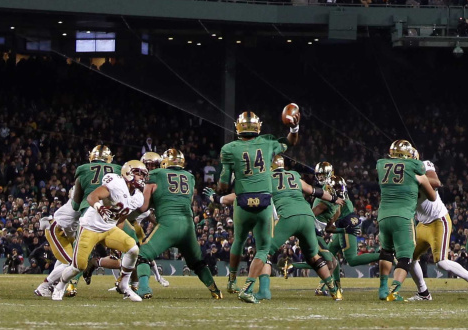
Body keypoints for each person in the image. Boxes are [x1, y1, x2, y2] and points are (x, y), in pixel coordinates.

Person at [217, 110, 299, 303]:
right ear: (257, 126)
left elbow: (223, 184)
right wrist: (294, 128)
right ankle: (248, 287)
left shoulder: (229, 148)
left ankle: (232, 280)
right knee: (263, 248)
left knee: (239, 240)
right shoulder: (268, 143)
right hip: (263, 203)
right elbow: (290, 142)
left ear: (238, 126)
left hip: (242, 202)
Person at [44, 160, 149, 301]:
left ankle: (124, 285)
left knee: (133, 249)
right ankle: (60, 285)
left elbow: (122, 218)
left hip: (109, 229)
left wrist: (115, 244)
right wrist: (100, 207)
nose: (141, 177)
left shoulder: (138, 197)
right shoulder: (116, 183)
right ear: (127, 172)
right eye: (138, 173)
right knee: (78, 266)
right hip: (90, 227)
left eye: (143, 174)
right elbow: (91, 197)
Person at [136, 148, 223, 299]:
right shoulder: (189, 177)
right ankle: (215, 291)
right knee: (197, 263)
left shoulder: (155, 175)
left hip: (169, 224)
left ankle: (144, 289)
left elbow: (143, 206)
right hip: (188, 226)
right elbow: (187, 201)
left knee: (142, 255)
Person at [35, 144, 117, 297]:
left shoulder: (86, 186)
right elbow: (76, 205)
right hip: (57, 229)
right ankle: (44, 286)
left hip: (66, 230)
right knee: (71, 263)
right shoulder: (89, 197)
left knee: (67, 260)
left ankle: (50, 286)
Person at [405, 157, 468, 301]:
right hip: (422, 223)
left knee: (441, 262)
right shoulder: (399, 177)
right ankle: (423, 293)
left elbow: (436, 182)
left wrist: (416, 178)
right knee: (409, 259)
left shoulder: (423, 166)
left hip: (438, 221)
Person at [264, 154, 341, 300]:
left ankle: (260, 289)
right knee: (314, 256)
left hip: (288, 217)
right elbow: (314, 190)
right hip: (307, 217)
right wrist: (334, 198)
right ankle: (334, 290)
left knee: (265, 252)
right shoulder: (293, 175)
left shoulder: (267, 177)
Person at [376, 139, 436, 302]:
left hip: (383, 215)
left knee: (386, 252)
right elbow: (433, 196)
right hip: (403, 216)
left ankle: (382, 289)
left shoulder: (381, 165)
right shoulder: (416, 168)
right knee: (405, 257)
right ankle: (393, 291)